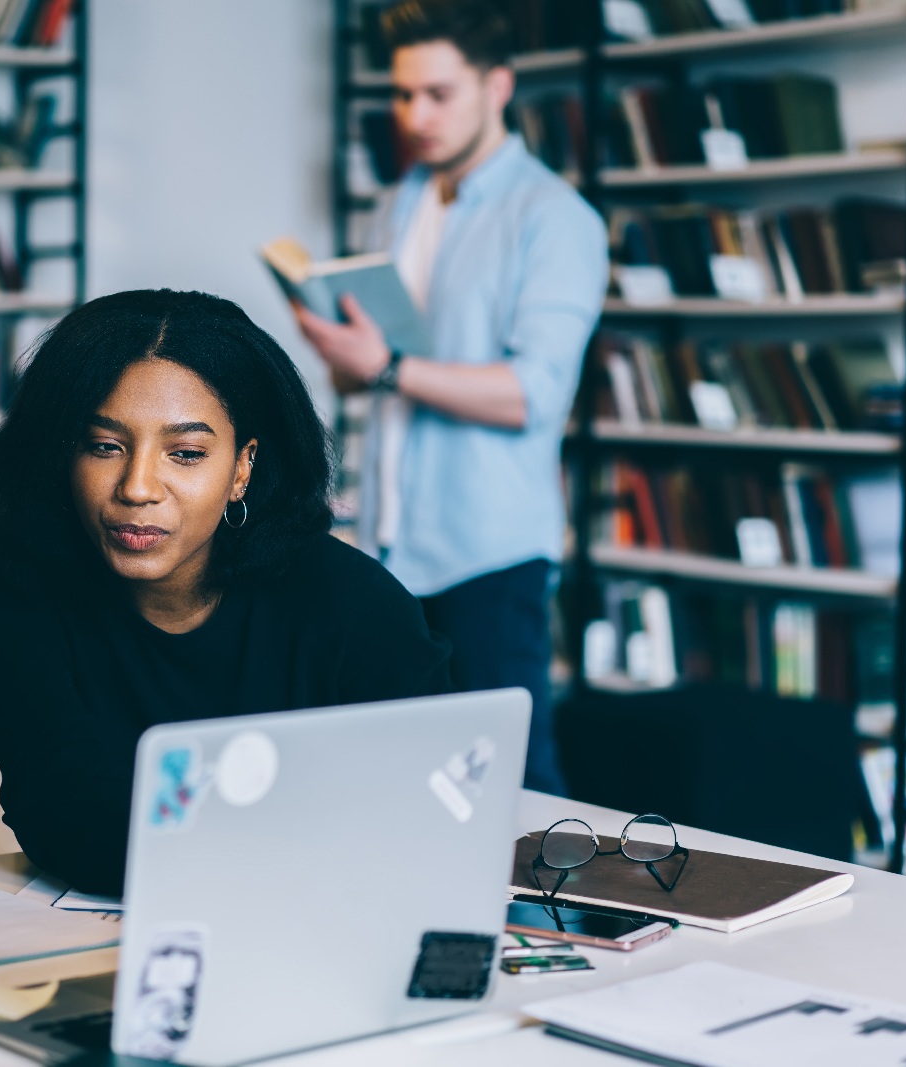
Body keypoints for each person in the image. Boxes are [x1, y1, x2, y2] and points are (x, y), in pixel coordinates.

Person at [0, 289, 451, 896]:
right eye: (104, 446)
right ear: (63, 453)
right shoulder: (4, 584)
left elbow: (427, 802)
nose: (137, 488)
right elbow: (68, 815)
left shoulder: (354, 603)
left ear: (243, 467)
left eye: (185, 454)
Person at [293, 0, 607, 796]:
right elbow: (374, 373)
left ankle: (559, 924)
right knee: (408, 778)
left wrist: (389, 364)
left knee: (516, 784)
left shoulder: (555, 218)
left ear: (497, 86)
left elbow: (533, 394)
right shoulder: (400, 202)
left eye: (438, 94)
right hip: (391, 543)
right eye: (403, 96)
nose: (416, 115)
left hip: (489, 554)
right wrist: (344, 355)